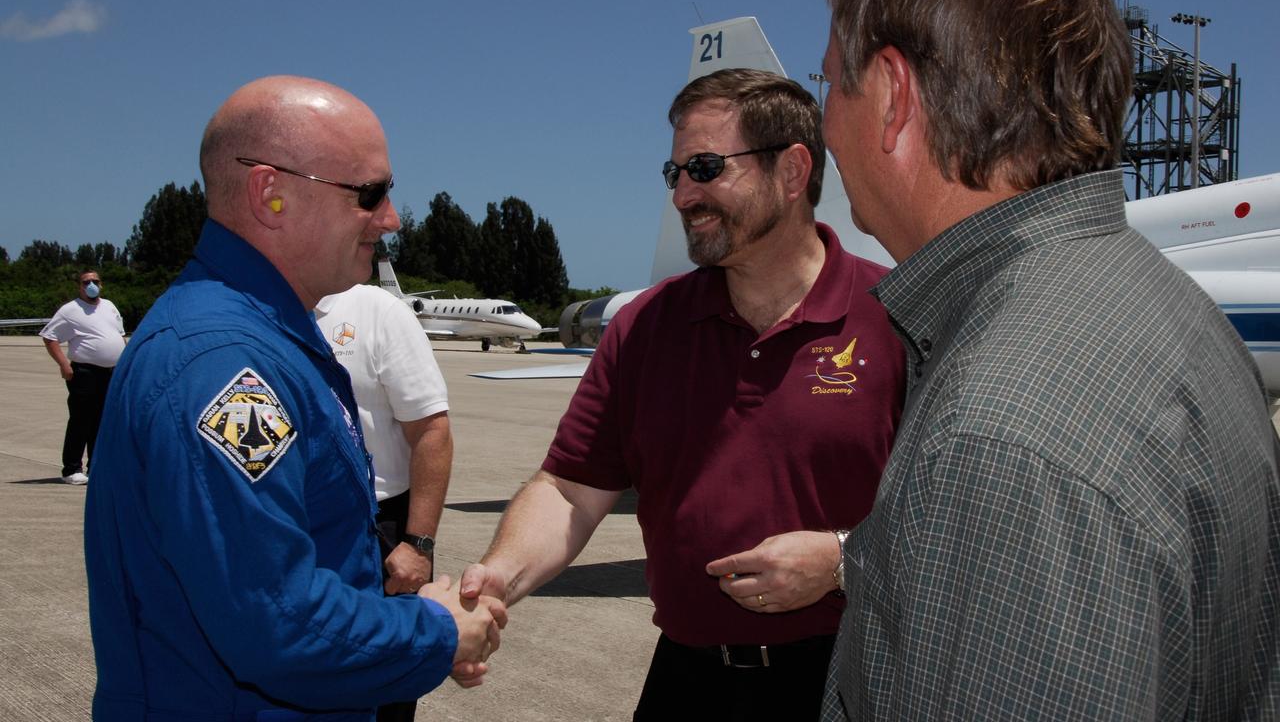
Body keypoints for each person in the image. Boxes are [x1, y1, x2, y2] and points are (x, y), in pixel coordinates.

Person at [819, 0, 1280, 720]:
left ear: (891, 98)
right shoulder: (1166, 310)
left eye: (829, 87)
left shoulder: (1000, 441)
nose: (825, 124)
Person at [460, 68, 905, 720]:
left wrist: (842, 561)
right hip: (687, 681)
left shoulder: (898, 317)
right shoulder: (647, 325)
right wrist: (501, 575)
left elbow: (967, 519)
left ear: (791, 171)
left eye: (703, 168)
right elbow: (570, 489)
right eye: (676, 175)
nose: (683, 196)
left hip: (850, 680)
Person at [84, 76, 506, 721]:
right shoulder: (223, 363)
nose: (390, 219)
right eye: (370, 194)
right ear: (269, 193)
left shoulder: (264, 333)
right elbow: (277, 617)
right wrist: (437, 631)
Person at [314, 282, 454, 722]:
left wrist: (419, 544)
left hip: (380, 526)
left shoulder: (378, 311)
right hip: (300, 525)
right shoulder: (267, 309)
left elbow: (433, 431)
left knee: (387, 681)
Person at [40, 268, 126, 484]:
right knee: (81, 420)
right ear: (79, 286)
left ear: (101, 284)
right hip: (85, 373)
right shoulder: (70, 310)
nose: (91, 285)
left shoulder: (109, 306)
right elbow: (49, 337)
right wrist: (63, 364)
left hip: (110, 373)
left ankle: (96, 465)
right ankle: (71, 469)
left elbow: (118, 335)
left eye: (95, 281)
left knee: (101, 421)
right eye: (86, 282)